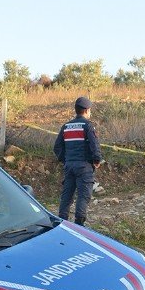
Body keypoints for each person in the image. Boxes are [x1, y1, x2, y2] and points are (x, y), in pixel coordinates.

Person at [54, 96, 103, 226]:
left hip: (69, 166)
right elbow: (94, 145)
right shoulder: (88, 126)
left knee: (67, 196)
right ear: (86, 110)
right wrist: (97, 159)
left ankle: (62, 223)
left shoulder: (66, 126)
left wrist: (65, 160)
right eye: (90, 110)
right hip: (84, 166)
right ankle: (79, 225)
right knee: (83, 195)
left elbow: (57, 147)